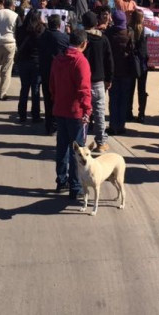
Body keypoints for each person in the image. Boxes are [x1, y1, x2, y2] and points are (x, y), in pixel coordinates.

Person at [49, 29, 93, 201]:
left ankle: (61, 180)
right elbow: (84, 89)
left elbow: (52, 84)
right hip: (76, 112)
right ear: (83, 44)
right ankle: (75, 186)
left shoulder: (58, 59)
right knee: (78, 150)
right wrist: (87, 109)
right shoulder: (81, 61)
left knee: (62, 146)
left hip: (60, 109)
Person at [82, 11, 113, 152]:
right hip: (99, 81)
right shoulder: (103, 39)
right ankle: (101, 142)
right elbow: (109, 60)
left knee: (83, 112)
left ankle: (81, 141)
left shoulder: (80, 39)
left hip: (83, 81)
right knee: (100, 113)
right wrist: (109, 78)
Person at [37, 13, 69, 134]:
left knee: (47, 99)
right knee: (58, 99)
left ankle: (49, 125)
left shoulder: (42, 36)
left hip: (45, 72)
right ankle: (56, 124)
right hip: (59, 73)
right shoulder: (64, 38)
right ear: (59, 24)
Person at [106, 10, 136, 136]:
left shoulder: (109, 33)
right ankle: (121, 125)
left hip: (113, 71)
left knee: (113, 100)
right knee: (124, 100)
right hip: (127, 71)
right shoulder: (129, 33)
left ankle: (113, 125)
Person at [15, 9, 44, 123]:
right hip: (36, 63)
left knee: (24, 88)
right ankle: (35, 115)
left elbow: (18, 42)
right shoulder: (41, 30)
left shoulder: (21, 29)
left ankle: (22, 114)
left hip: (23, 62)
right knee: (36, 89)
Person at [0, 0, 19, 100]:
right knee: (6, 70)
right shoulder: (15, 15)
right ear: (12, 5)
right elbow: (16, 31)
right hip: (10, 42)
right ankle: (2, 93)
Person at [129, 9, 149, 122]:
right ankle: (141, 113)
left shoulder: (129, 30)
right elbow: (143, 51)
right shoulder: (143, 31)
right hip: (141, 65)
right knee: (142, 89)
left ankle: (128, 112)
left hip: (131, 63)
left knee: (130, 89)